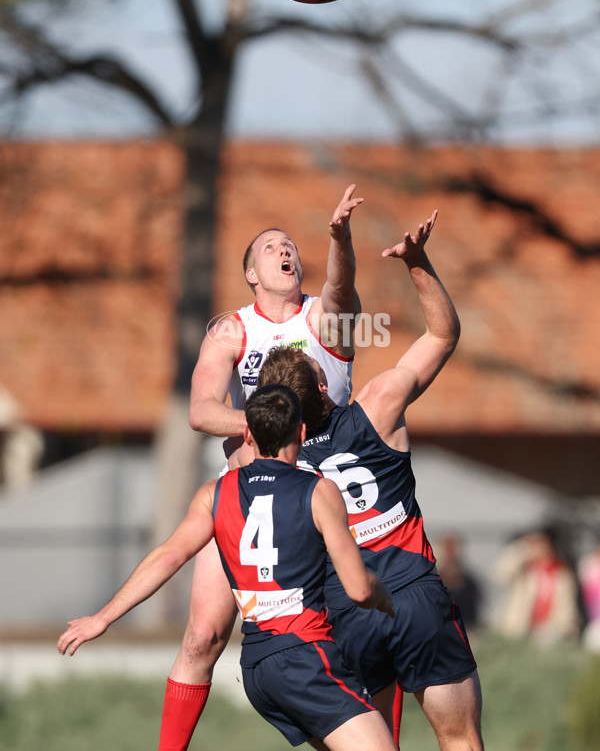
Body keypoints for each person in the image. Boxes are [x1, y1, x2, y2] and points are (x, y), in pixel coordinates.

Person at [58, 384, 398, 751]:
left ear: (248, 434)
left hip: (257, 668)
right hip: (304, 658)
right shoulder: (319, 491)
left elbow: (168, 556)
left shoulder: (214, 493)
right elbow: (359, 589)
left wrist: (103, 617)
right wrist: (385, 598)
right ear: (301, 432)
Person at [256, 211, 485, 751]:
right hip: (413, 593)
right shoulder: (377, 405)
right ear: (320, 381)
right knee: (460, 740)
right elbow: (443, 334)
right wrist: (418, 262)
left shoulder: (273, 466)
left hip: (348, 609)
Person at [160, 185, 364, 751]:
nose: (286, 251)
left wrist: (338, 237)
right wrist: (262, 425)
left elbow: (343, 287)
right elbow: (201, 411)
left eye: (293, 245)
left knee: (361, 635)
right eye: (272, 246)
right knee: (202, 636)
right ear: (252, 271)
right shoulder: (231, 330)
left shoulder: (325, 316)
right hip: (250, 498)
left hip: (327, 495)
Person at [494, 526, 581, 645]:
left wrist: (565, 629)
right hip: (519, 629)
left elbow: (567, 607)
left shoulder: (562, 573)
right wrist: (523, 549)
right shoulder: (524, 571)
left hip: (549, 634)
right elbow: (501, 571)